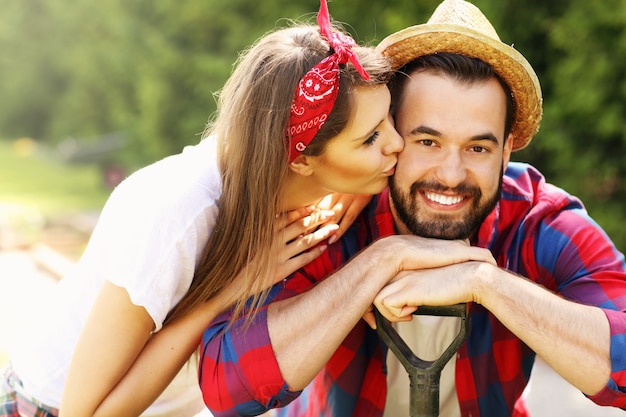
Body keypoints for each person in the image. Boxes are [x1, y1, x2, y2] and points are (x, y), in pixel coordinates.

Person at [198, 0, 626, 416]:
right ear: (391, 135)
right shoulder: (328, 220)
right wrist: (380, 261)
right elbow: (226, 385)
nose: (452, 174)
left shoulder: (535, 220)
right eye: (428, 142)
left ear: (506, 151)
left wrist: (487, 283)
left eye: (478, 147)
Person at [0, 1, 417, 416]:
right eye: (370, 139)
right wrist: (228, 292)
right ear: (302, 160)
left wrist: (358, 187)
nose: (397, 144)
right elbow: (85, 413)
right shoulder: (178, 213)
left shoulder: (301, 178)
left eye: (390, 121)